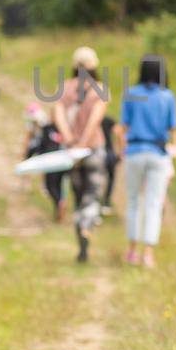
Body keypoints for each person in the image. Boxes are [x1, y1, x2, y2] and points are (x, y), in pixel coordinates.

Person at [116, 55, 176, 269]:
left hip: (134, 151)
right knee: (154, 203)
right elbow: (173, 129)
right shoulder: (167, 96)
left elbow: (122, 128)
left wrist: (120, 149)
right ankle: (148, 253)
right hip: (157, 153)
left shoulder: (132, 94)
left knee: (133, 201)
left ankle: (132, 250)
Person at [54, 46, 109, 262]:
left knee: (78, 196)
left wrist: (70, 140)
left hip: (71, 152)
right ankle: (87, 226)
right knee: (93, 194)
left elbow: (58, 115)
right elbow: (96, 119)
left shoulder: (64, 88)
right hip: (93, 148)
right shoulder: (100, 89)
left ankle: (81, 242)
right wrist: (85, 142)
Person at [23, 101, 66, 221]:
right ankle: (59, 206)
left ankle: (59, 203)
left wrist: (30, 155)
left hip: (50, 161)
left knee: (50, 186)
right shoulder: (65, 129)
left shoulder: (47, 128)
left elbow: (40, 144)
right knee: (58, 185)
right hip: (62, 160)